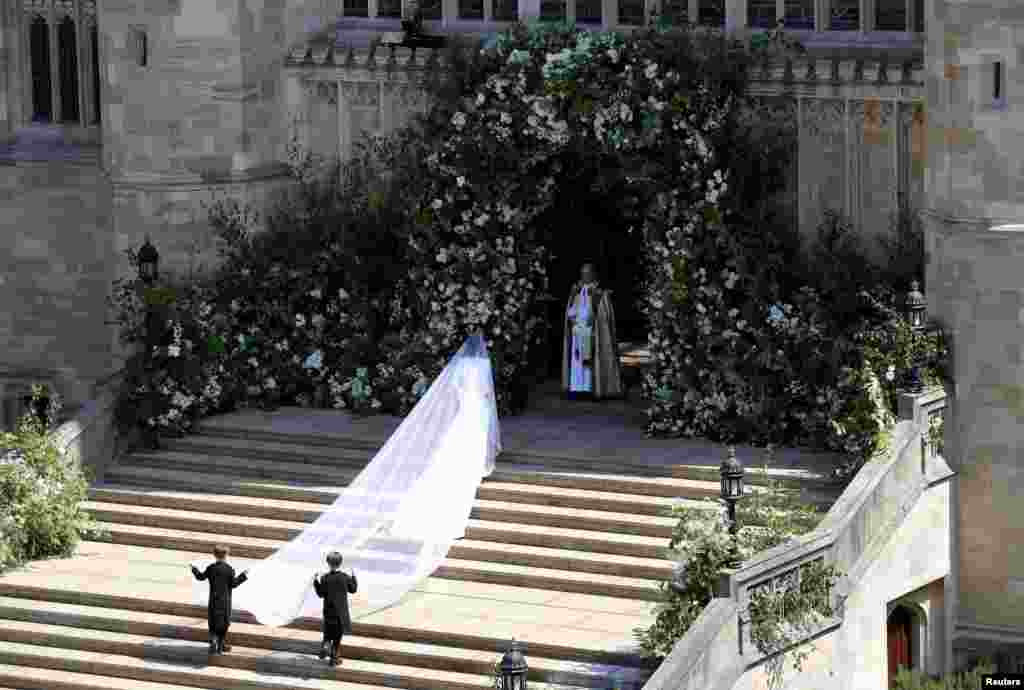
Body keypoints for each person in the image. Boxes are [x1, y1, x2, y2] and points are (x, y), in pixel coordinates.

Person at [562, 262, 623, 400]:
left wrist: (594, 324)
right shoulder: (576, 290)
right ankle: (578, 388)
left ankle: (593, 389)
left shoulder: (600, 293)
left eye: (588, 273)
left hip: (592, 333)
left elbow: (604, 317)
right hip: (578, 332)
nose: (585, 276)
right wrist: (572, 318)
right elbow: (570, 309)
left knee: (590, 362)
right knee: (578, 361)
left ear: (593, 274)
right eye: (583, 273)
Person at [191, 544, 249, 654]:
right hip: (225, 601)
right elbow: (234, 584)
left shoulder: (211, 568)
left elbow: (200, 577)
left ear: (214, 555)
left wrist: (194, 569)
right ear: (226, 555)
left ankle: (214, 641)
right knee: (224, 623)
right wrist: (243, 575)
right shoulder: (229, 570)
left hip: (213, 600)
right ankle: (220, 645)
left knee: (213, 622)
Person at [313, 551, 358, 667]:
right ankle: (334, 659)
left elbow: (320, 594)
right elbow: (353, 589)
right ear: (340, 563)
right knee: (337, 637)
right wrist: (353, 576)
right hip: (340, 613)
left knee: (328, 633)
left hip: (328, 611)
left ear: (328, 563)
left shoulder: (325, 578)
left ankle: (325, 645)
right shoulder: (344, 577)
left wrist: (315, 582)